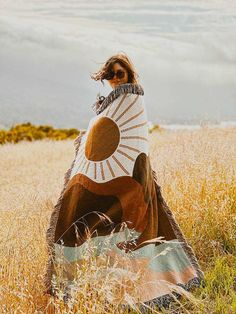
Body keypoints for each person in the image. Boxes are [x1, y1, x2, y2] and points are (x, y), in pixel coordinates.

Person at [44, 53, 205, 311]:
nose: (116, 79)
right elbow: (100, 137)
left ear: (129, 74)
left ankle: (146, 283)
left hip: (130, 174)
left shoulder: (134, 99)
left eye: (120, 74)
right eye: (111, 75)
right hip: (103, 176)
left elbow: (135, 139)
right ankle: (95, 287)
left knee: (136, 223)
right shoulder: (105, 107)